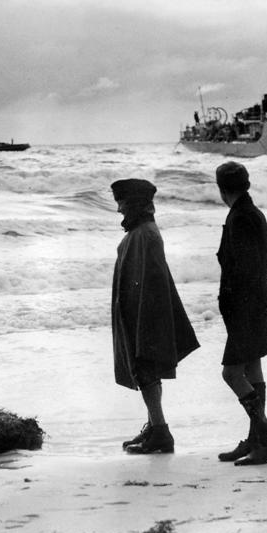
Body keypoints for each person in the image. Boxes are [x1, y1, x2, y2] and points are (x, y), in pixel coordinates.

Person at [111, 178, 199, 454]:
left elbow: (150, 284)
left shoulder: (144, 235)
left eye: (122, 203)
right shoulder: (142, 232)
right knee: (146, 370)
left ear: (135, 204)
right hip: (143, 315)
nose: (119, 210)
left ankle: (160, 431)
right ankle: (155, 424)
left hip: (145, 317)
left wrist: (141, 326)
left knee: (145, 369)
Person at [214, 161, 267, 465]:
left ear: (221, 190)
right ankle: (257, 438)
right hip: (256, 299)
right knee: (252, 369)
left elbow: (245, 267)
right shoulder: (252, 213)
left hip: (245, 304)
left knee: (231, 373)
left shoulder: (240, 217)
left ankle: (266, 439)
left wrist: (235, 300)